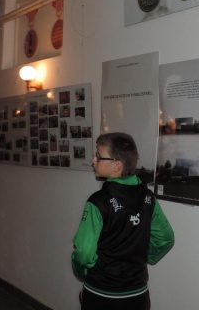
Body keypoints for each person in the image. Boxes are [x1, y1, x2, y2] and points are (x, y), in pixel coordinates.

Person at [71, 132, 174, 310]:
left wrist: (83, 272)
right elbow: (166, 238)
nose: (93, 160)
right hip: (138, 295)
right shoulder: (148, 197)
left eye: (98, 156)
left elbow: (84, 252)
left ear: (117, 165)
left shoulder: (98, 202)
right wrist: (145, 257)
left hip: (101, 294)